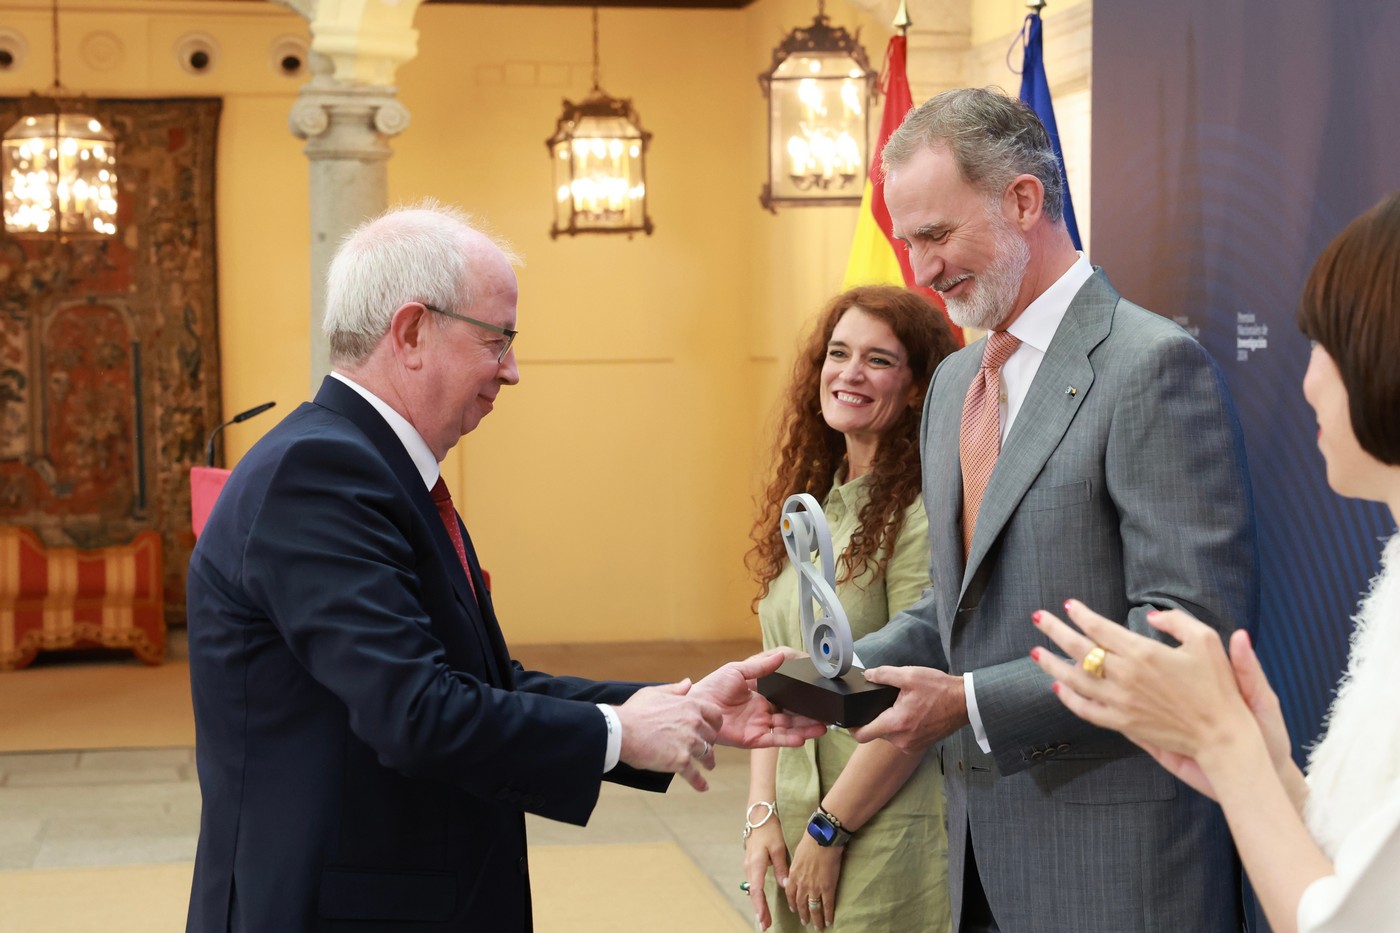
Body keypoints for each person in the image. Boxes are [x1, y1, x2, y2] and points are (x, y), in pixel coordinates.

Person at [183, 201, 825, 933]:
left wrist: (679, 704)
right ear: (413, 331)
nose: (512, 371)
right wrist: (619, 730)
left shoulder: (377, 467)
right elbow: (416, 712)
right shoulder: (321, 471)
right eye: (497, 339)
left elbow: (484, 685)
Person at [846, 88, 1259, 931]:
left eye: (935, 236)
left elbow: (1184, 635)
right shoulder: (956, 382)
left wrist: (972, 704)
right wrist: (830, 670)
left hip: (1121, 872)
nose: (919, 272)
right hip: (980, 867)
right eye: (905, 241)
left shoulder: (1150, 366)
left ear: (1023, 201)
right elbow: (957, 608)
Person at [1031, 192, 1400, 933]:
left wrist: (1225, 746)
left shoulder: (1151, 361)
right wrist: (1266, 773)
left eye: (1326, 346)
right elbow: (1362, 857)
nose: (1308, 383)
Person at [742, 286, 958, 932]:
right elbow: (775, 676)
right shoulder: (811, 505)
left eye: (879, 360)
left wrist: (828, 827)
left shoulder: (923, 514)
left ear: (919, 387)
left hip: (878, 827)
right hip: (792, 823)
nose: (850, 373)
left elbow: (913, 692)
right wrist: (762, 813)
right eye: (839, 353)